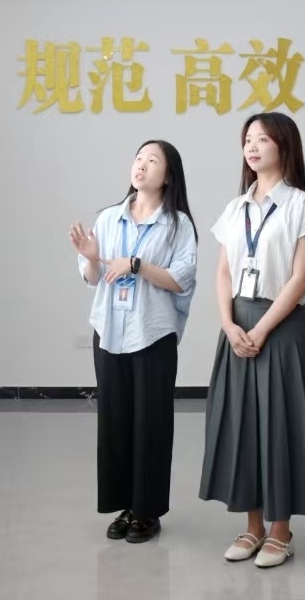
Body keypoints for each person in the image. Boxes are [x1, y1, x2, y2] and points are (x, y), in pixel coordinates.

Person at [197, 112, 305, 568]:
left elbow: (300, 279)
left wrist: (260, 329)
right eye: (248, 140)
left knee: (281, 424)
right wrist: (228, 324)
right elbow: (223, 272)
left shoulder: (302, 206)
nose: (252, 147)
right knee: (243, 425)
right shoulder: (235, 208)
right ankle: (253, 527)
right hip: (238, 326)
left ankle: (281, 530)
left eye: (263, 139)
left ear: (284, 146)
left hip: (281, 326)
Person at [68, 139, 199, 544]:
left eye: (152, 160)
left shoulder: (177, 224)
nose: (141, 165)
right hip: (109, 332)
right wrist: (92, 256)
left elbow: (180, 280)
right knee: (115, 421)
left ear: (168, 176)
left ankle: (148, 511)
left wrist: (137, 265)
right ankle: (125, 505)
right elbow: (92, 279)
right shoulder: (109, 218)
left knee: (151, 424)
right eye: (139, 158)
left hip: (152, 333)